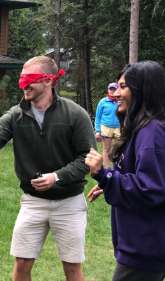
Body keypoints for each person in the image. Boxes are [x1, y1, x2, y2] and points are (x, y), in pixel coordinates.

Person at [0, 56, 96, 281]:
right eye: (21, 78)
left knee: (72, 268)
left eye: (31, 79)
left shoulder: (75, 114)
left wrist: (57, 177)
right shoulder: (16, 114)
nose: (23, 84)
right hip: (33, 201)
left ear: (49, 81)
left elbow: (87, 157)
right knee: (22, 265)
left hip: (69, 202)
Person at [86, 61, 165, 281]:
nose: (116, 94)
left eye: (123, 87)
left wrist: (105, 174)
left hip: (145, 247)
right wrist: (108, 183)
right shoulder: (143, 129)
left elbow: (151, 189)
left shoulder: (152, 132)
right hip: (139, 245)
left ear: (141, 89)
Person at [94, 82, 121, 168]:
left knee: (119, 148)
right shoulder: (103, 102)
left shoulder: (121, 101)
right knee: (106, 149)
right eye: (111, 89)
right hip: (106, 127)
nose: (112, 91)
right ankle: (108, 169)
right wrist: (97, 130)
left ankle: (119, 167)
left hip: (119, 128)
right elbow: (98, 116)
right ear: (108, 90)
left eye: (114, 89)